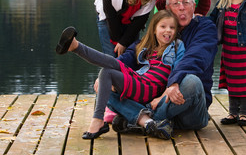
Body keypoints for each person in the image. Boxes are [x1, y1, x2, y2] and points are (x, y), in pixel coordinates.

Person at [55, 10, 185, 140]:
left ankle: (77, 47)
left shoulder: (177, 46)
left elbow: (178, 70)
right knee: (105, 74)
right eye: (163, 26)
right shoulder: (146, 46)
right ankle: (98, 120)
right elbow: (124, 60)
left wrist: (162, 96)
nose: (168, 30)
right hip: (139, 80)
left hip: (150, 88)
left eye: (172, 27)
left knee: (108, 74)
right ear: (154, 30)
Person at [107, 0, 218, 132]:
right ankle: (151, 123)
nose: (182, 7)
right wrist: (109, 71)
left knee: (192, 81)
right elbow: (133, 52)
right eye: (176, 3)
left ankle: (138, 118)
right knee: (106, 84)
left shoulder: (205, 27)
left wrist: (173, 84)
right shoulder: (163, 30)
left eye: (186, 2)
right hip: (154, 100)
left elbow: (195, 58)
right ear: (168, 8)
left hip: (188, 110)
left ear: (194, 6)